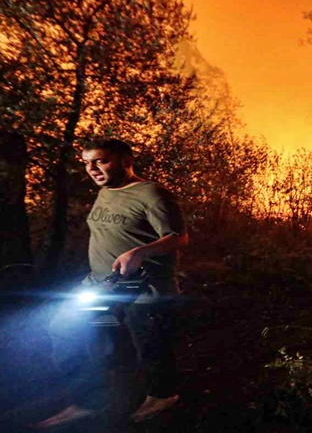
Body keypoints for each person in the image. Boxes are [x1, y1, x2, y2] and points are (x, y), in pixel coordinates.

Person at [35, 138, 188, 428]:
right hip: (100, 285)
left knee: (150, 346)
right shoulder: (105, 191)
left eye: (100, 161)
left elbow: (179, 238)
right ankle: (87, 402)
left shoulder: (151, 193)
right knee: (64, 331)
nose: (91, 169)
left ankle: (162, 397)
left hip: (145, 287)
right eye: (86, 163)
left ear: (126, 161)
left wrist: (139, 252)